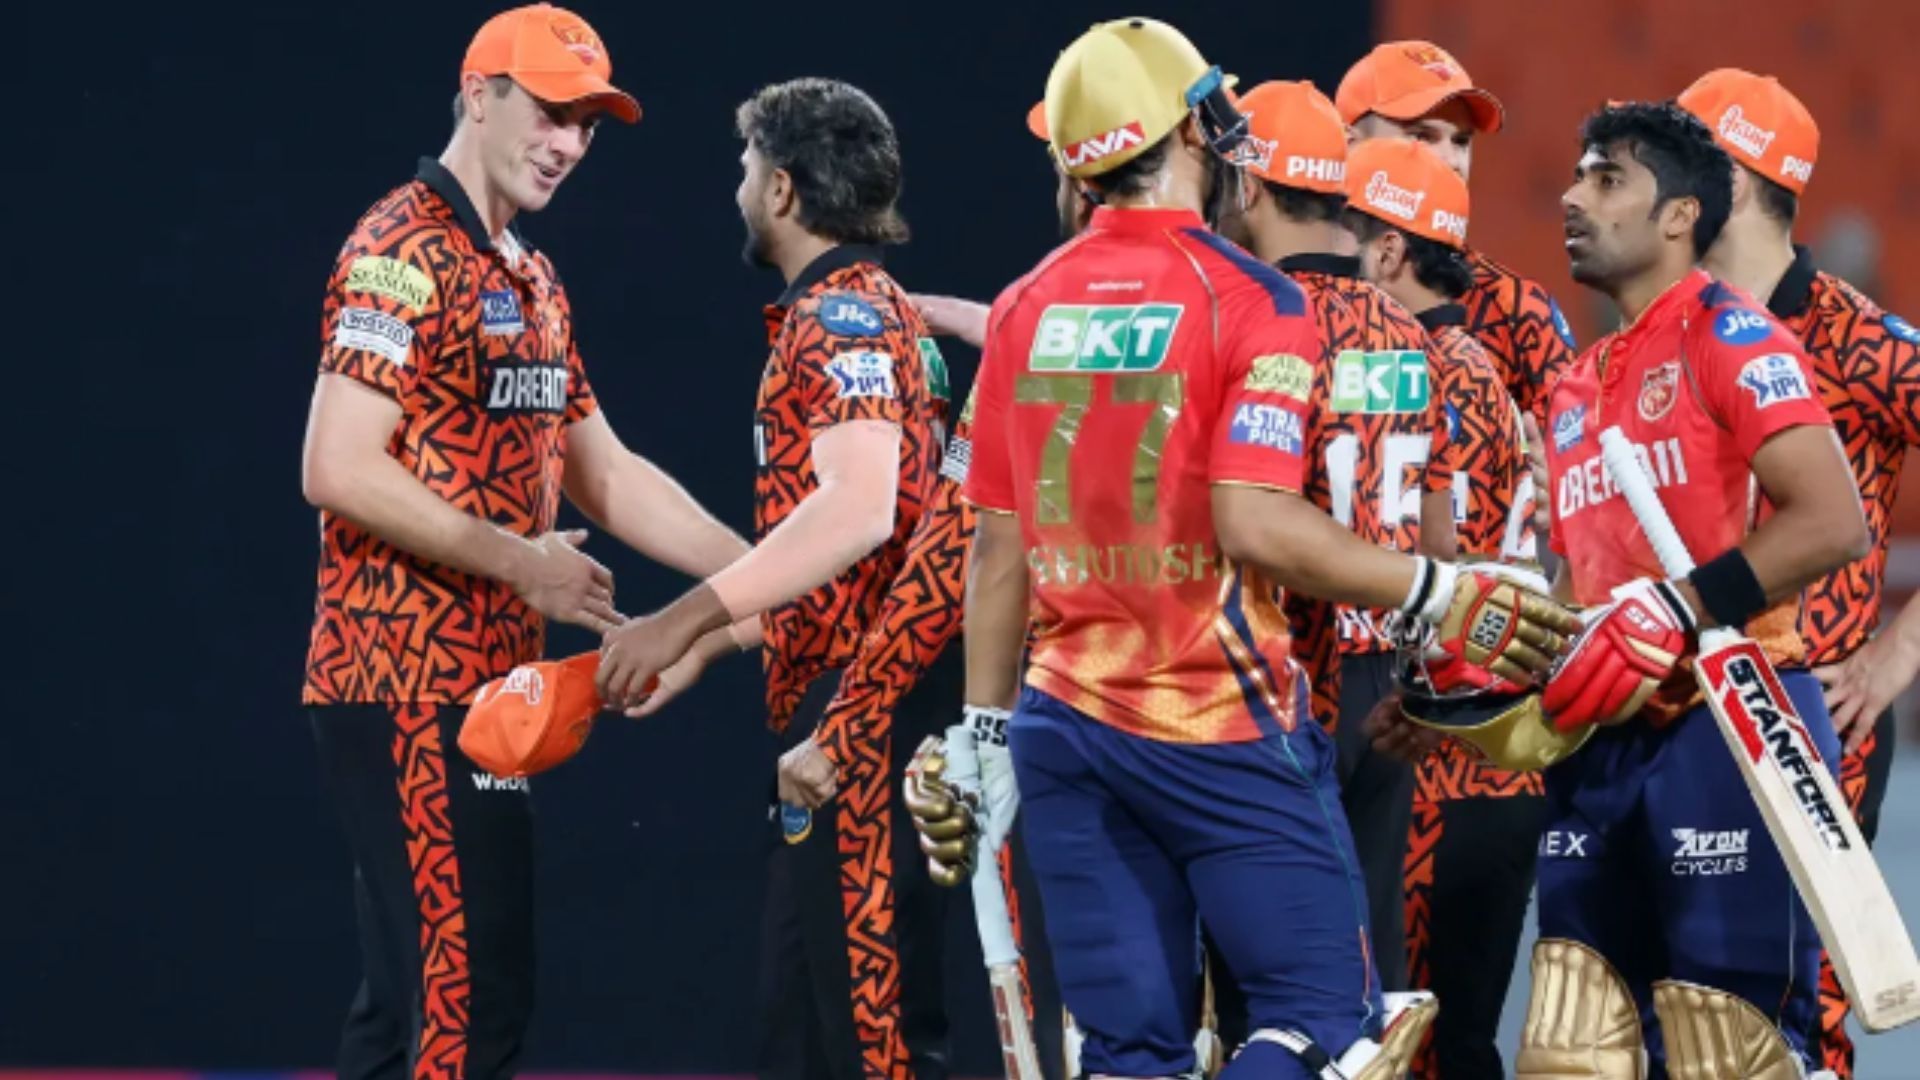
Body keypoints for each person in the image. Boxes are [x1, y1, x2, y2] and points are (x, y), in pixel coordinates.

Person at [947, 17, 1578, 1077]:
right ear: (1188, 134)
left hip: (1065, 724)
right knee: (1339, 1026)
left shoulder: (1023, 305)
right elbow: (1256, 524)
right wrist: (1440, 589)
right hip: (1220, 715)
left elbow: (996, 553)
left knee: (1130, 1050)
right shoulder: (1251, 299)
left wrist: (983, 729)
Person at [299, 5, 752, 1077]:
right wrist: (523, 563)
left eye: (588, 126)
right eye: (551, 113)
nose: (568, 144)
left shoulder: (530, 276)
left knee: (407, 1006)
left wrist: (763, 571)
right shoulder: (398, 248)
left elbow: (609, 471)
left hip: (479, 693)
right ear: (476, 95)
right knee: (471, 1001)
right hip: (404, 682)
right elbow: (336, 465)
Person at [593, 77, 946, 1080]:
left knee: (877, 1037)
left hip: (869, 714)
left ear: (784, 190)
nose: (736, 187)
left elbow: (860, 509)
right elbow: (863, 562)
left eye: (746, 168)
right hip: (848, 699)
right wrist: (714, 644)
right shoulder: (863, 310)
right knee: (800, 1032)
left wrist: (679, 620)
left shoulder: (840, 317)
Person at [1522, 100, 1869, 1078]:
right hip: (1597, 747)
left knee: (1729, 1049)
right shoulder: (1575, 386)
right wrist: (1479, 692)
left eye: (1606, 179)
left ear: (1679, 217)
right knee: (1576, 1050)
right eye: (1578, 176)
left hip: (1727, 725)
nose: (1571, 196)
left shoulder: (1732, 333)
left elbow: (1831, 521)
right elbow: (1578, 584)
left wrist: (1679, 605)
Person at [1677, 67, 1920, 1079]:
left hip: (1813, 725)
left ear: (1734, 180)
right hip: (1678, 724)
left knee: (1794, 1026)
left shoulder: (1863, 342)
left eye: (1678, 157)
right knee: (1682, 1018)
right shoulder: (1666, 329)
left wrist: (1897, 652)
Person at [1211, 79, 1442, 1003]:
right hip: (1387, 679)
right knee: (1370, 971)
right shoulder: (1404, 328)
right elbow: (1436, 521)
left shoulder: (1253, 316)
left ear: (1253, 190)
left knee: (1258, 982)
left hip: (1277, 673)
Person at [1344, 136, 1540, 1080]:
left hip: (1436, 764)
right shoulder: (1479, 367)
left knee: (1414, 1048)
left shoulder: (1422, 366)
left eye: (1347, 235)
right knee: (1448, 1048)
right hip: (1485, 762)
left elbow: (1439, 563)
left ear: (1387, 254)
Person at [1337, 41, 1578, 430]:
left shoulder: (1515, 311)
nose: (1450, 161)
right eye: (1422, 135)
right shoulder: (1290, 294)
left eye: (1461, 141)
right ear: (1349, 145)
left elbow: (1575, 465)